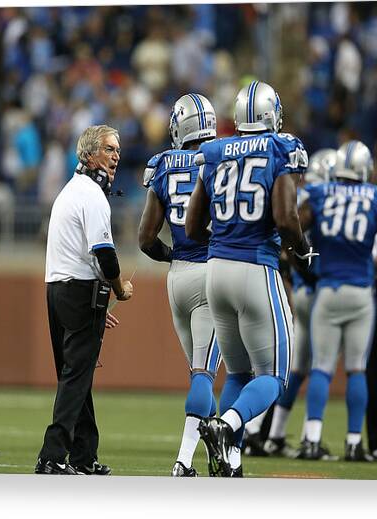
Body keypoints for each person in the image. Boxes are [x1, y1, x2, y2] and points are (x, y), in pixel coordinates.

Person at [185, 80, 312, 477]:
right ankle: (228, 426)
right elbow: (286, 218)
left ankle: (233, 464)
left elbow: (191, 226)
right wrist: (304, 252)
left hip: (215, 271)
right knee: (274, 377)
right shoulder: (280, 147)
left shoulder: (215, 150)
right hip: (256, 268)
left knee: (237, 374)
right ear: (272, 114)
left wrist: (225, 239)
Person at [35, 125, 133, 475]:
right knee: (76, 376)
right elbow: (104, 254)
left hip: (59, 290)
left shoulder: (70, 190)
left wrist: (98, 302)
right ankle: (52, 455)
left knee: (78, 374)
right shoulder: (92, 195)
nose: (116, 156)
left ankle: (83, 455)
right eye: (109, 149)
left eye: (117, 150)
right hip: (78, 292)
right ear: (90, 154)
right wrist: (119, 289)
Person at [138, 93, 221, 477]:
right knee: (204, 374)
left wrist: (174, 256)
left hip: (177, 280)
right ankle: (183, 461)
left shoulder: (164, 165)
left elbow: (145, 239)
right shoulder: (221, 156)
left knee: (199, 373)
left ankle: (218, 455)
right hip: (210, 275)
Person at [297, 140, 377, 461]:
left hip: (328, 289)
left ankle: (312, 439)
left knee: (321, 368)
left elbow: (292, 230)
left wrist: (308, 265)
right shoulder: (376, 197)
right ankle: (353, 441)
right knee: (357, 369)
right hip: (361, 291)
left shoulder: (319, 195)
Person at [265, 148, 337, 459]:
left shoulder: (304, 197)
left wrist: (296, 276)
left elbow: (286, 246)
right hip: (323, 288)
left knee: (297, 367)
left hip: (302, 289)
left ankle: (272, 434)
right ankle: (311, 437)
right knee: (321, 366)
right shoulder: (327, 199)